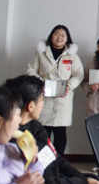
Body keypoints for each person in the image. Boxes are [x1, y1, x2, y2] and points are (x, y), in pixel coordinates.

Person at [25, 24, 84, 155]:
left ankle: (59, 161)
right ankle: (42, 162)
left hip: (63, 99)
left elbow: (79, 74)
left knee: (60, 132)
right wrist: (42, 84)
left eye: (63, 35)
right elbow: (30, 70)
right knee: (43, 132)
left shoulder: (72, 56)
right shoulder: (41, 54)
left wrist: (69, 86)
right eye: (56, 34)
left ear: (67, 38)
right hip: (44, 98)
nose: (59, 37)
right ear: (51, 36)